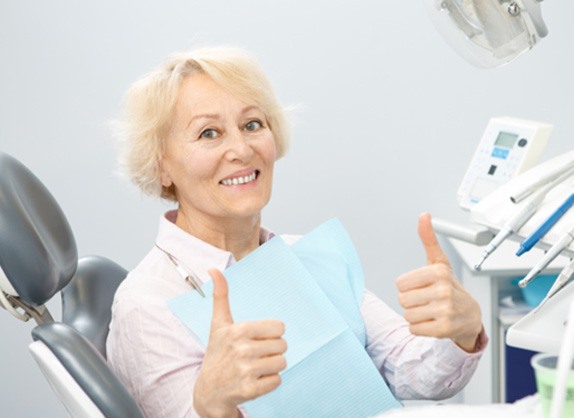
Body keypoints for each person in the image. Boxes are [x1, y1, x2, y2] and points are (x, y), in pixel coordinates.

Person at [106, 46, 488, 418]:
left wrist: (461, 332)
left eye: (252, 124)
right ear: (161, 167)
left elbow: (408, 369)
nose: (241, 149)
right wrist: (213, 407)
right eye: (209, 133)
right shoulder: (148, 305)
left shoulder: (305, 256)